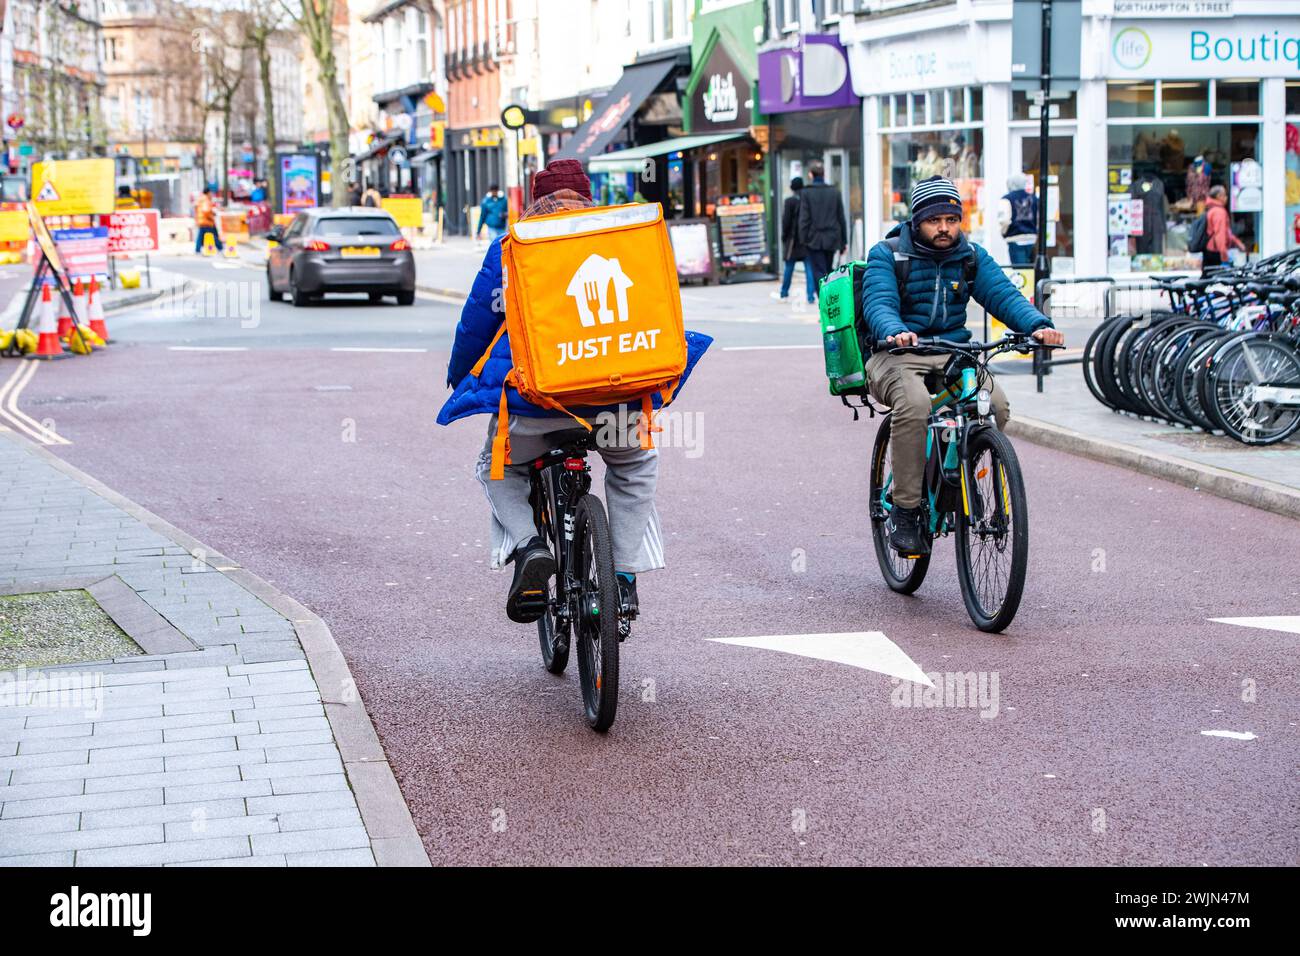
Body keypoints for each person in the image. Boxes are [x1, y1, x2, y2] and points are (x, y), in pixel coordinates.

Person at [437, 158, 711, 626]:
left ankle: (530, 547)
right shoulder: (622, 242)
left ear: (535, 199)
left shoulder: (512, 248)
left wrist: (460, 374)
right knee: (635, 463)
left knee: (498, 468)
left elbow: (477, 324)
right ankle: (622, 576)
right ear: (587, 196)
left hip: (539, 402)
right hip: (618, 397)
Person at [862, 175, 1065, 557]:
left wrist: (1038, 327)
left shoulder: (970, 256)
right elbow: (878, 303)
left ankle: (954, 478)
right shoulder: (887, 254)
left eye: (951, 220)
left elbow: (1004, 296)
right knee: (916, 406)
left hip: (954, 351)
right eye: (934, 221)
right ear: (916, 221)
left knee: (996, 406)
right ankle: (906, 511)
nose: (944, 228)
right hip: (897, 353)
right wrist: (895, 330)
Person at [797, 161, 847, 299]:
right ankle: (831, 302)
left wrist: (803, 239)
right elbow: (841, 217)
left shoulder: (806, 192)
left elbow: (804, 219)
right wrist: (844, 241)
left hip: (814, 239)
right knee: (829, 270)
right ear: (824, 174)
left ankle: (824, 303)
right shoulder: (834, 192)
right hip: (832, 238)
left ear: (811, 175)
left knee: (819, 272)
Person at [772, 177, 813, 304]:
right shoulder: (808, 200)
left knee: (789, 268)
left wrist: (784, 236)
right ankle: (810, 296)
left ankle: (784, 293)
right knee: (809, 269)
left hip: (793, 241)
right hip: (806, 239)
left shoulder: (789, 201)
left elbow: (786, 221)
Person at [1202, 185, 1244, 275]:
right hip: (1215, 252)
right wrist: (1224, 256)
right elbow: (1220, 235)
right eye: (1224, 195)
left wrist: (1237, 243)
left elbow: (1225, 232)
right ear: (1218, 196)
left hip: (1211, 250)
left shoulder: (1212, 209)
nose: (1226, 198)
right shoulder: (1219, 212)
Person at [998, 173, 1038, 266]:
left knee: (1020, 272)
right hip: (1032, 239)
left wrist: (1004, 232)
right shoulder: (1034, 198)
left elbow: (1004, 220)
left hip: (1015, 238)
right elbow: (1038, 218)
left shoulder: (1006, 199)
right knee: (1031, 271)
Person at [194, 186, 223, 253]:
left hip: (201, 220)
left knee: (201, 236)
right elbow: (206, 210)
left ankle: (197, 249)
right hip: (206, 221)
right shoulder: (205, 200)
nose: (211, 195)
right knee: (212, 235)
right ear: (208, 193)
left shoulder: (201, 199)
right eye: (211, 193)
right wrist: (211, 216)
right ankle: (220, 247)